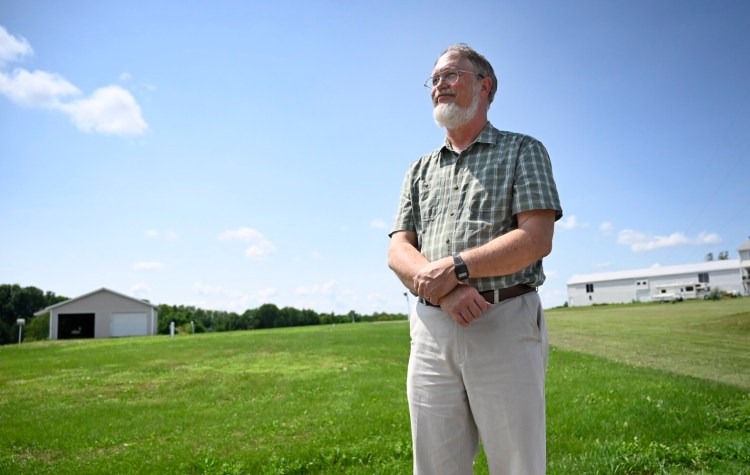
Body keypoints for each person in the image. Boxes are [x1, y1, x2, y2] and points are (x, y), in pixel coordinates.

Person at [387, 44, 563, 474]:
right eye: (434, 79)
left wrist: (457, 268)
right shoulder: (419, 169)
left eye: (451, 75)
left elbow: (536, 237)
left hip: (502, 318)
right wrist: (446, 294)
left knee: (516, 463)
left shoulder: (524, 149)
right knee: (434, 465)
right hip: (432, 329)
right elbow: (398, 249)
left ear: (485, 86)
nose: (439, 85)